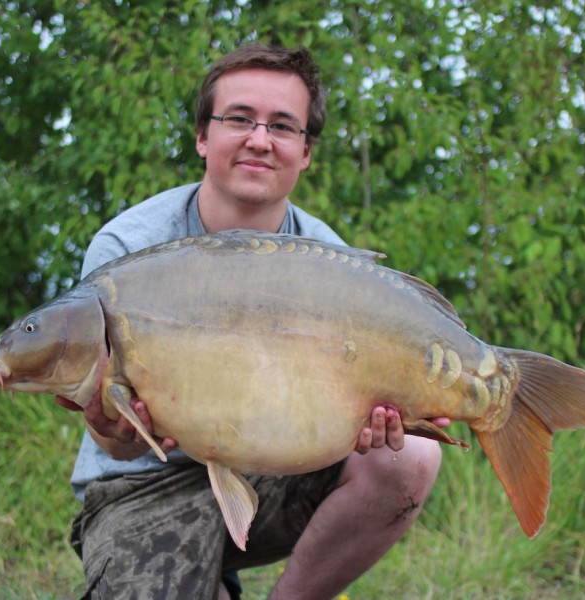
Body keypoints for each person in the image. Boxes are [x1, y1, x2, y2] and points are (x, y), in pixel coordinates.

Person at [58, 42, 448, 600]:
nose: (259, 139)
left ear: (306, 151)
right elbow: (118, 446)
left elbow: (340, 421)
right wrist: (109, 423)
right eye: (239, 119)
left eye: (283, 126)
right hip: (142, 483)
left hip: (273, 469)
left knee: (407, 454)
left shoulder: (329, 262)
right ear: (202, 136)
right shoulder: (127, 251)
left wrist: (374, 422)